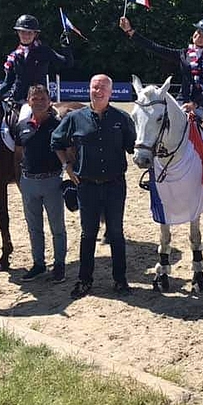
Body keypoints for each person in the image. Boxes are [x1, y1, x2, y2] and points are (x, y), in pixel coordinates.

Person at [51, 74, 136, 299]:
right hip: (86, 185)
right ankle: (84, 280)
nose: (97, 91)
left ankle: (120, 280)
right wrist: (67, 166)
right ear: (89, 89)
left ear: (110, 92)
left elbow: (133, 146)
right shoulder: (74, 118)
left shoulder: (122, 118)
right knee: (88, 234)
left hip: (115, 185)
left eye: (102, 88)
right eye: (94, 87)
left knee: (116, 233)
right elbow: (56, 142)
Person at [119, 16, 203, 142]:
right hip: (181, 103)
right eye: (198, 32)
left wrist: (195, 104)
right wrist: (130, 32)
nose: (198, 36)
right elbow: (155, 48)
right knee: (158, 123)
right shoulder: (183, 54)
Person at [12, 85, 67, 284]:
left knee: (57, 227)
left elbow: (68, 152)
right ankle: (39, 264)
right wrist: (19, 181)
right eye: (35, 98)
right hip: (29, 182)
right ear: (28, 102)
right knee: (34, 227)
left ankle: (59, 265)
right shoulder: (22, 126)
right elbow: (18, 155)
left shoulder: (58, 125)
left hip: (52, 181)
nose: (39, 102)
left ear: (49, 101)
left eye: (43, 98)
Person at [0, 14, 74, 120]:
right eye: (22, 32)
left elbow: (66, 63)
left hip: (38, 100)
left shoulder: (44, 51)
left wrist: (66, 47)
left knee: (24, 118)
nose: (26, 35)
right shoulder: (14, 55)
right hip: (18, 99)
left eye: (29, 32)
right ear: (18, 33)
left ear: (35, 34)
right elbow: (8, 82)